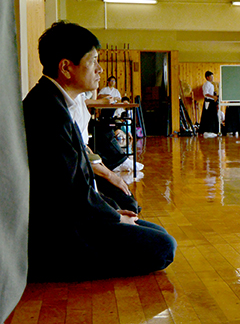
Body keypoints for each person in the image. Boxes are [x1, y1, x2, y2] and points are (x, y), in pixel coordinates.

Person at [23, 21, 176, 281]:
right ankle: (60, 266)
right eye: (93, 60)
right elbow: (69, 191)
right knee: (163, 247)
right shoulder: (46, 110)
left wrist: (113, 211)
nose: (99, 69)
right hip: (60, 230)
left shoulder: (56, 101)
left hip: (76, 213)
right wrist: (112, 217)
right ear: (66, 67)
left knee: (153, 230)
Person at [199, 71, 220, 135]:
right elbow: (206, 94)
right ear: (207, 77)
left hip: (212, 101)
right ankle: (208, 130)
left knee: (212, 117)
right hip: (209, 101)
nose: (212, 78)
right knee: (208, 117)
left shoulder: (211, 84)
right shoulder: (206, 84)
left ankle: (213, 130)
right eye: (211, 76)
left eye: (212, 76)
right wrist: (213, 97)